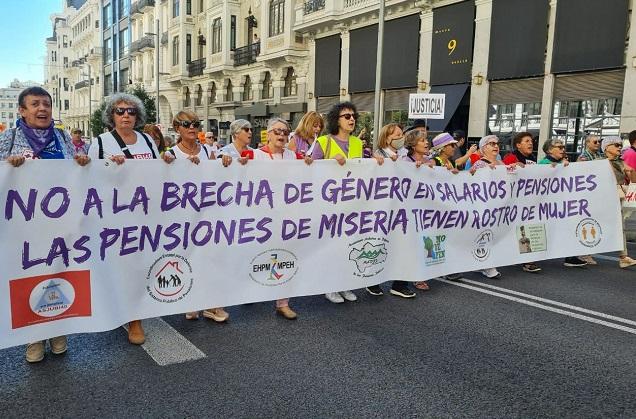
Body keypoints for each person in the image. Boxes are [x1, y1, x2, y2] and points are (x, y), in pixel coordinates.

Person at [0, 86, 90, 363]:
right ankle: (34, 337)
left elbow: (78, 168)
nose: (42, 109)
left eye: (46, 104)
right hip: (24, 225)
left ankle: (58, 330)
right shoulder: (9, 137)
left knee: (60, 273)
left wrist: (82, 161)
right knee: (29, 277)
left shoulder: (62, 136)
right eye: (35, 104)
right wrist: (7, 164)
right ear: (22, 111)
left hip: (59, 222)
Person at [88, 93, 165, 345]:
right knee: (120, 264)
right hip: (114, 214)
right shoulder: (100, 143)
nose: (126, 115)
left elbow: (157, 172)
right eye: (120, 111)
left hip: (144, 213)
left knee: (139, 263)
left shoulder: (146, 140)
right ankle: (125, 312)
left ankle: (134, 316)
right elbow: (90, 179)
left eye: (131, 111)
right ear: (111, 115)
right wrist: (111, 169)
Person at [311, 101, 385, 303]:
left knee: (349, 246)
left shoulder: (357, 143)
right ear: (336, 120)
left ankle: (345, 284)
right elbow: (308, 169)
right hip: (329, 204)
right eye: (346, 116)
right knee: (331, 247)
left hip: (352, 203)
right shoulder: (324, 142)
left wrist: (376, 162)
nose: (352, 119)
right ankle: (330, 286)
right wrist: (327, 162)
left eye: (353, 116)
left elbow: (363, 168)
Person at [163, 111, 233, 323]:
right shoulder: (171, 153)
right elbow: (163, 182)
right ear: (178, 129)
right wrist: (171, 165)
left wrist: (226, 161)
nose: (192, 127)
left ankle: (212, 305)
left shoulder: (208, 151)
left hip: (207, 215)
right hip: (182, 217)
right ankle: (191, 301)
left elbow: (217, 177)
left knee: (211, 259)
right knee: (187, 259)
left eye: (195, 123)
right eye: (186, 124)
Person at [241, 118, 313, 318]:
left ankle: (283, 303)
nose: (282, 135)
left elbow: (314, 171)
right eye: (277, 131)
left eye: (285, 131)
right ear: (268, 133)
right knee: (254, 255)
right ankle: (249, 291)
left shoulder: (295, 156)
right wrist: (229, 162)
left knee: (285, 257)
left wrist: (312, 163)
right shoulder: (252, 154)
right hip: (259, 218)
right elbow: (233, 172)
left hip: (287, 218)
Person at [538, 139, 588, 267]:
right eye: (559, 147)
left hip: (563, 204)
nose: (563, 149)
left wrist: (575, 166)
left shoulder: (563, 163)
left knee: (569, 228)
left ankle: (570, 256)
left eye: (563, 147)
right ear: (549, 150)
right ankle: (530, 258)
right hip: (547, 206)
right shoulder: (543, 163)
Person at [502, 132, 542, 273]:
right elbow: (501, 175)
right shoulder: (511, 157)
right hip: (512, 202)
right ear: (518, 145)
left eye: (531, 141)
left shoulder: (532, 158)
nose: (530, 143)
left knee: (527, 229)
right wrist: (513, 165)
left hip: (528, 202)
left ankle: (528, 260)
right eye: (526, 141)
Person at [469, 135, 504, 279]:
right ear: (484, 148)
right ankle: (487, 265)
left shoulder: (501, 163)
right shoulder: (479, 164)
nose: (496, 146)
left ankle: (481, 262)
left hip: (499, 206)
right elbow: (469, 179)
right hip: (484, 205)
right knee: (485, 233)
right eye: (491, 144)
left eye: (497, 144)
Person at [600, 136, 636, 268]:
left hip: (617, 197)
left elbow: (633, 179)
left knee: (620, 226)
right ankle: (583, 252)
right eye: (616, 145)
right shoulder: (598, 161)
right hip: (600, 199)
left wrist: (631, 171)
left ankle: (623, 257)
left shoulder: (620, 162)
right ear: (606, 147)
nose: (619, 147)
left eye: (620, 145)